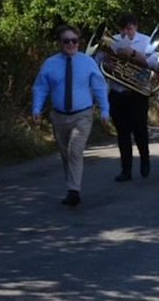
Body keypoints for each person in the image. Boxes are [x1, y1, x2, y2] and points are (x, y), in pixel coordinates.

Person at [32, 25, 109, 206]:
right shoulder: (50, 64)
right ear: (60, 43)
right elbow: (40, 87)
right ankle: (71, 186)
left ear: (79, 42)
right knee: (65, 154)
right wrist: (36, 109)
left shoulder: (87, 62)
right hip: (59, 117)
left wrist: (105, 110)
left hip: (82, 115)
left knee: (75, 151)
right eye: (66, 41)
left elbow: (99, 86)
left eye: (74, 41)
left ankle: (74, 190)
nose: (71, 44)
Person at [108, 13, 157, 183]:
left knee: (140, 130)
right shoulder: (112, 41)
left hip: (137, 93)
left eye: (129, 28)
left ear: (135, 26)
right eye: (123, 29)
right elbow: (98, 61)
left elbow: (153, 63)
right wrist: (109, 63)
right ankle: (126, 170)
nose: (126, 32)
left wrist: (133, 53)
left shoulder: (145, 41)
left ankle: (145, 160)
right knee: (122, 133)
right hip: (117, 93)